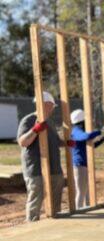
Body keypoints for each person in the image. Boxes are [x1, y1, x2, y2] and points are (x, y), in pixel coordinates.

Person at [16, 91, 65, 221]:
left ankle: (55, 221)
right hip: (36, 168)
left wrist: (66, 143)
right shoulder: (28, 120)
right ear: (43, 104)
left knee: (56, 197)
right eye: (50, 106)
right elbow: (23, 142)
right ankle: (32, 222)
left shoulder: (50, 122)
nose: (52, 109)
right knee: (35, 198)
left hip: (54, 167)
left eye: (52, 107)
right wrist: (35, 129)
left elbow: (55, 141)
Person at [68, 109, 104, 209]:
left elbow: (90, 145)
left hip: (83, 165)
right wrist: (99, 131)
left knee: (86, 191)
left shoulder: (78, 130)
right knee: (81, 191)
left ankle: (87, 209)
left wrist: (102, 139)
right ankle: (78, 211)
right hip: (79, 165)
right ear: (82, 121)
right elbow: (86, 136)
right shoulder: (76, 131)